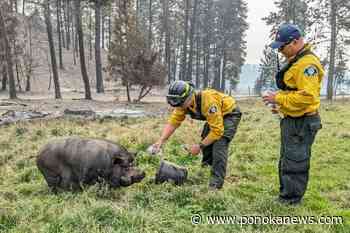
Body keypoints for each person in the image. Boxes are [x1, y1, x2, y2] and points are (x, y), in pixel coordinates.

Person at [263, 23, 324, 205]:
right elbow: (294, 92)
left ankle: (290, 201)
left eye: (282, 46)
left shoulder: (308, 65)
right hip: (293, 120)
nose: (280, 50)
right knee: (288, 158)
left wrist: (279, 98)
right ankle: (286, 194)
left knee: (295, 161)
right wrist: (281, 107)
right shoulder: (296, 60)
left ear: (295, 42)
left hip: (302, 122)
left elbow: (307, 98)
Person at [152, 81, 241, 190]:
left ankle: (215, 186)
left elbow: (217, 131)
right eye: (175, 104)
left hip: (229, 114)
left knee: (219, 143)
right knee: (206, 139)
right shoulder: (181, 104)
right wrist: (161, 140)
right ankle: (204, 172)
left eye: (180, 104)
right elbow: (173, 122)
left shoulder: (207, 101)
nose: (178, 107)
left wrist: (199, 146)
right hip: (214, 117)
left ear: (189, 97)